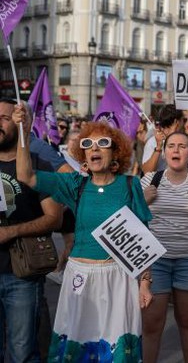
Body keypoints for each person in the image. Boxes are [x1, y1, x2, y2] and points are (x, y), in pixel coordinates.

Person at [14, 106, 153, 362]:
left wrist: (144, 282)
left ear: (115, 152)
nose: (95, 148)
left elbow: (143, 237)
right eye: (88, 144)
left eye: (103, 142)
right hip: (79, 276)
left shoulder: (130, 185)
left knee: (115, 348)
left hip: (118, 278)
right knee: (76, 346)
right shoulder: (75, 185)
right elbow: (25, 175)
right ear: (83, 155)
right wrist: (24, 132)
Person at [140, 131, 188, 363]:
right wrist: (141, 200)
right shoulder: (149, 180)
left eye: (182, 146)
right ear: (164, 152)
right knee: (152, 323)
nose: (176, 150)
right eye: (171, 146)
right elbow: (127, 215)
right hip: (154, 262)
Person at [0, 101, 63, 362]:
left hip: (21, 275)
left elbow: (54, 218)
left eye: (4, 118)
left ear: (18, 122)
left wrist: (12, 232)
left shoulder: (38, 166)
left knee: (21, 351)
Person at [142, 104, 184, 173]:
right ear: (177, 122)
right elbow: (147, 171)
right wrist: (158, 148)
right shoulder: (153, 142)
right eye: (183, 120)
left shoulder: (185, 141)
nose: (184, 123)